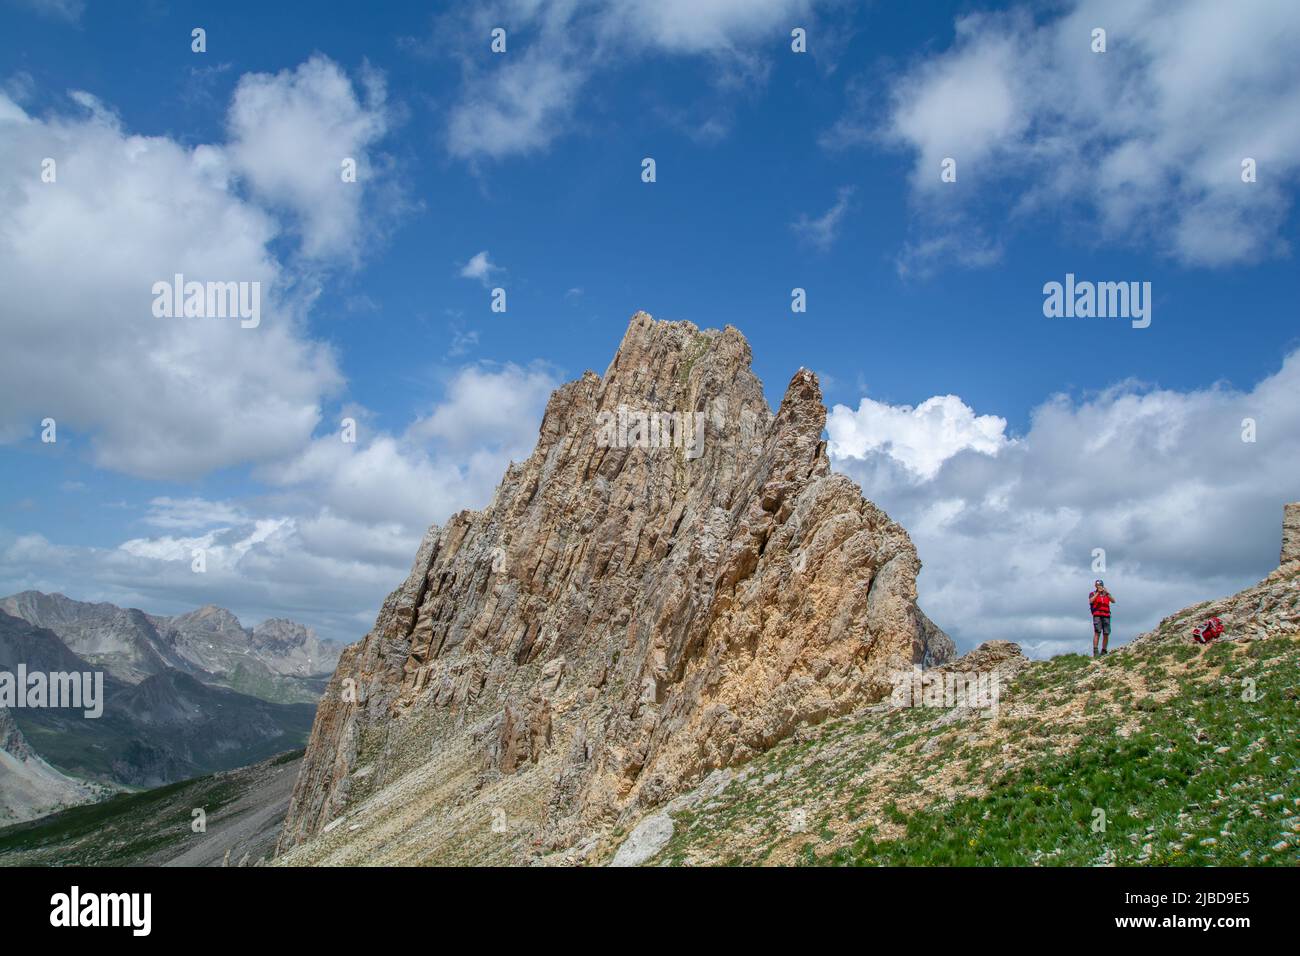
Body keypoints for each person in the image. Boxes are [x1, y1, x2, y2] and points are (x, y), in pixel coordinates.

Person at [1089, 580, 1116, 657]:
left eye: (1100, 585)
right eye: (1098, 585)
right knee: (1097, 632)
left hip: (1106, 615)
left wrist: (1107, 593)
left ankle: (1104, 650)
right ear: (1095, 586)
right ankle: (1095, 650)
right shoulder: (1092, 593)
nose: (1099, 586)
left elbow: (1113, 601)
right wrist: (1098, 593)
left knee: (1106, 633)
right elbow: (1091, 601)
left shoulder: (1106, 594)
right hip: (1097, 615)